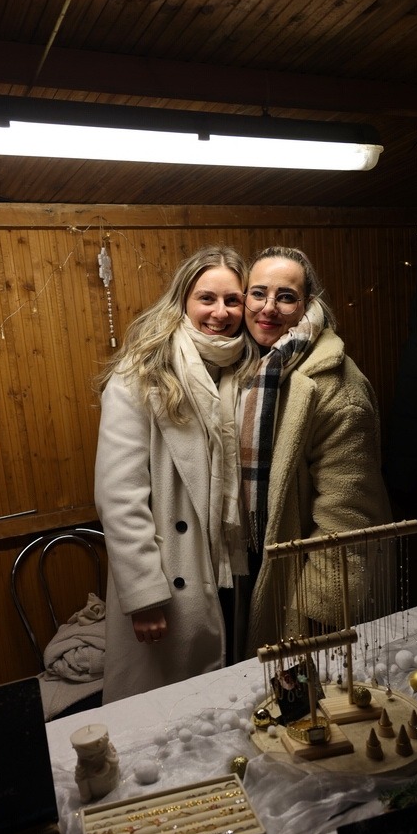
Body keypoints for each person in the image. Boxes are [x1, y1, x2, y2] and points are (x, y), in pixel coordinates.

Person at [94, 244, 259, 703]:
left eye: (232, 300)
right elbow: (119, 496)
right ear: (183, 300)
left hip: (231, 566)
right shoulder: (140, 373)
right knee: (164, 712)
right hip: (172, 575)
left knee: (228, 702)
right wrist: (144, 595)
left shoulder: (248, 369)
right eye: (207, 298)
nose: (220, 313)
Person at [239, 245, 393, 656]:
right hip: (250, 561)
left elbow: (348, 517)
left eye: (286, 297)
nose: (268, 308)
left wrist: (315, 616)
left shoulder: (337, 388)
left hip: (300, 583)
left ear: (307, 304)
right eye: (258, 293)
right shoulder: (249, 365)